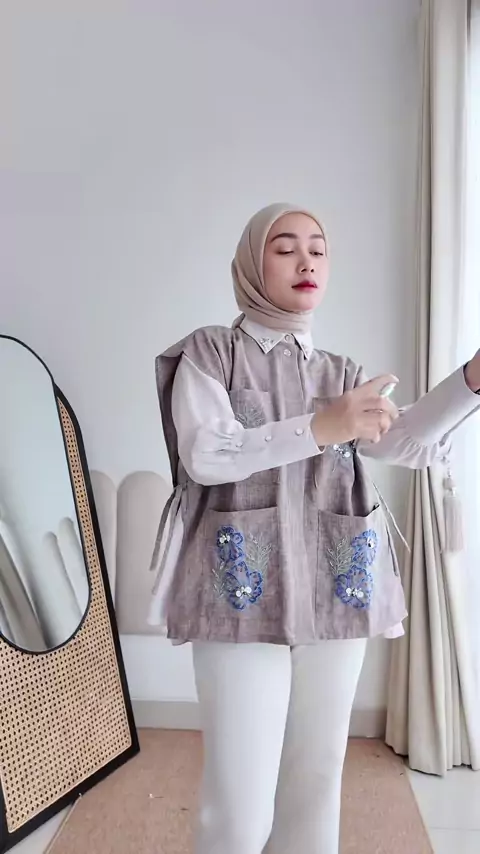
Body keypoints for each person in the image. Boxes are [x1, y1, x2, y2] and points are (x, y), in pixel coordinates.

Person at [148, 203, 480, 854]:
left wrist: (469, 382)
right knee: (240, 813)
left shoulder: (340, 372)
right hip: (238, 595)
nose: (306, 261)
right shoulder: (211, 353)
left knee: (315, 788)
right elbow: (207, 454)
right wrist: (323, 426)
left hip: (336, 591)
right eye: (285, 248)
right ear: (252, 264)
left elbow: (403, 441)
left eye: (319, 250)